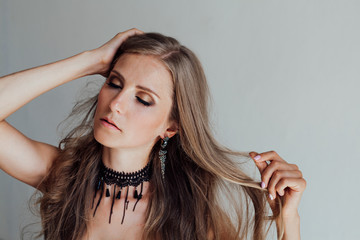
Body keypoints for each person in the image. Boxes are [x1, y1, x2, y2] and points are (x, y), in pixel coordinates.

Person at [0, 28, 306, 240]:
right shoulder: (63, 177)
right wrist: (90, 61)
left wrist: (288, 220)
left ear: (170, 127)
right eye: (115, 83)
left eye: (143, 99)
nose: (116, 104)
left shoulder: (189, 218)